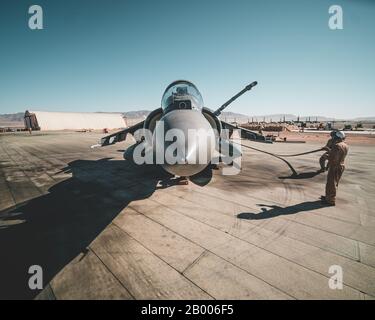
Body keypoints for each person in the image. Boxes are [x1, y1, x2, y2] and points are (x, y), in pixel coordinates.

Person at [321, 131, 348, 206]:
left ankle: (330, 201)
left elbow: (332, 157)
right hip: (340, 166)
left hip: (335, 166)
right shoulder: (345, 145)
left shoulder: (336, 146)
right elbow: (338, 154)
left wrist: (326, 156)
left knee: (331, 184)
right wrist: (329, 150)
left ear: (337, 138)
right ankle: (328, 197)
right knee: (334, 183)